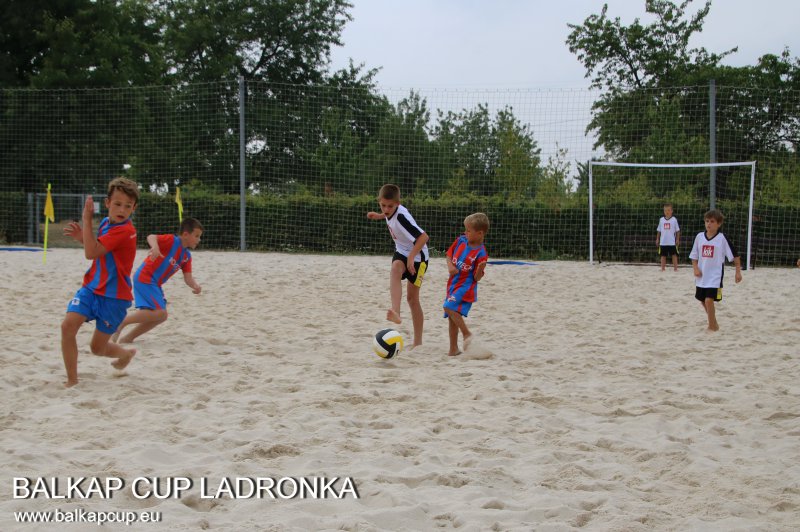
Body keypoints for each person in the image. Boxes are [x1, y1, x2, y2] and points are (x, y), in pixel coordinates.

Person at [60, 177, 139, 387]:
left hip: (115, 298)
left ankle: (125, 354)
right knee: (67, 327)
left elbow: (90, 253)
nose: (122, 209)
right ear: (107, 203)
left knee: (97, 348)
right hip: (92, 288)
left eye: (128, 206)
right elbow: (97, 249)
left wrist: (86, 219)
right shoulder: (106, 223)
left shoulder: (125, 230)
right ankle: (72, 381)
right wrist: (81, 237)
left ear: (134, 208)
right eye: (117, 204)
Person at [112, 218, 203, 344]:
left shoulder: (187, 256)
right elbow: (151, 236)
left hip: (154, 283)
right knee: (159, 312)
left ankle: (128, 338)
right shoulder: (172, 241)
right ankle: (121, 322)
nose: (199, 240)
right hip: (145, 277)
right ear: (186, 235)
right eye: (197, 236)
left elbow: (188, 278)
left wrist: (195, 286)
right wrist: (155, 247)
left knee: (161, 316)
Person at [366, 184, 429, 348]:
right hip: (402, 252)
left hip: (419, 258)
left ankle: (418, 342)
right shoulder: (389, 211)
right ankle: (396, 311)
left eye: (390, 206)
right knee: (395, 269)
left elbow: (423, 237)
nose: (386, 209)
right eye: (383, 205)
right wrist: (379, 216)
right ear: (379, 201)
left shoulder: (401, 216)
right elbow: (388, 215)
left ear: (398, 203)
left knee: (412, 299)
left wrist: (411, 257)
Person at [688, 209, 742, 332]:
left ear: (719, 224)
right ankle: (715, 323)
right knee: (702, 301)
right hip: (701, 276)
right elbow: (694, 256)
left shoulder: (722, 239)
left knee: (708, 300)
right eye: (707, 221)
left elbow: (735, 256)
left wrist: (737, 271)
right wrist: (695, 268)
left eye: (712, 221)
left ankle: (711, 327)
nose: (709, 224)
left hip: (715, 277)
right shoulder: (699, 237)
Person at [443, 213, 489, 356]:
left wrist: (480, 270)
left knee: (448, 306)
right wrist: (450, 266)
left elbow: (476, 278)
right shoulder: (461, 241)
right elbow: (449, 255)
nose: (465, 232)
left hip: (465, 286)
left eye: (468, 230)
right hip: (452, 284)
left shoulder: (481, 253)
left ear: (480, 233)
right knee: (451, 317)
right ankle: (453, 349)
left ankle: (467, 333)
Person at [657, 203, 680, 271]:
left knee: (674, 255)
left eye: (668, 210)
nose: (667, 212)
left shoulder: (674, 219)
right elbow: (659, 231)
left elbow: (677, 231)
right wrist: (657, 239)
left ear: (672, 211)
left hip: (672, 242)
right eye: (665, 210)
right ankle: (662, 268)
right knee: (663, 256)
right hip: (663, 242)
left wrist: (677, 239)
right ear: (664, 211)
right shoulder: (661, 220)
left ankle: (675, 269)